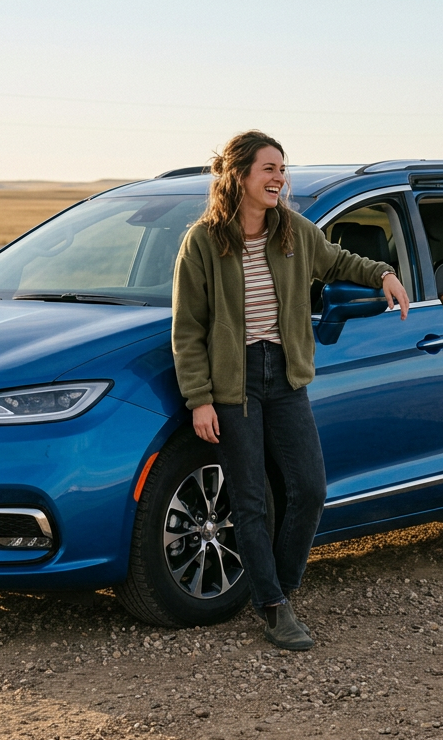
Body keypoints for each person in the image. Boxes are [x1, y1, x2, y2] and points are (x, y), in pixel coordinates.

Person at [171, 130, 410, 650]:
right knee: (251, 499)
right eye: (269, 168)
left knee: (310, 488)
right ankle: (275, 608)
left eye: (283, 168)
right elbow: (187, 329)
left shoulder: (294, 231)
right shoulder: (203, 242)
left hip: (285, 375)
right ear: (240, 176)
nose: (280, 177)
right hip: (233, 384)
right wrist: (200, 399)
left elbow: (339, 261)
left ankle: (276, 586)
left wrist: (383, 274)